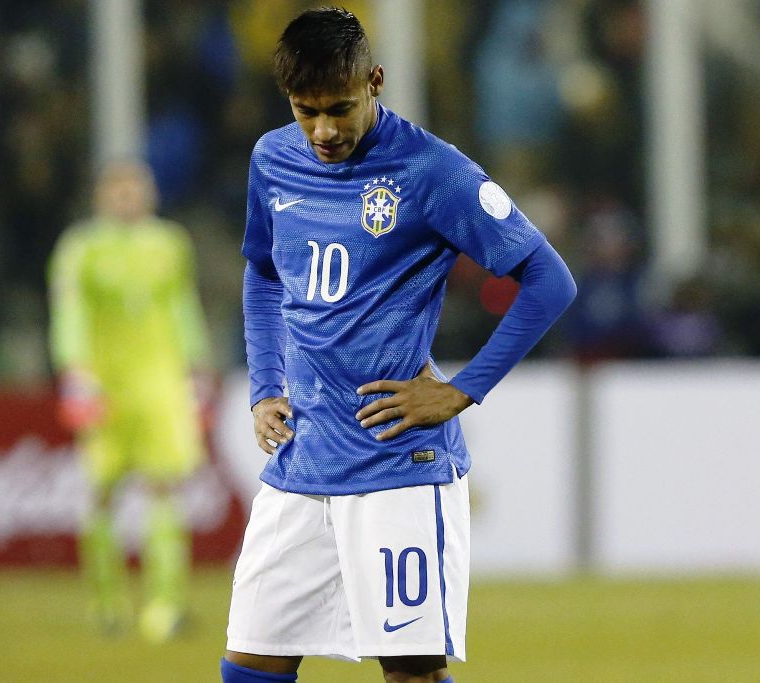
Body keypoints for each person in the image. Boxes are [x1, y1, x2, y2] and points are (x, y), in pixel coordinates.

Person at [222, 8, 576, 683]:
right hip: (304, 456)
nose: (323, 130)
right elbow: (263, 269)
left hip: (396, 463)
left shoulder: (432, 171)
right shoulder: (271, 159)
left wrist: (461, 389)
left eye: (340, 109)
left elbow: (549, 280)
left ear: (375, 81)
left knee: (411, 674)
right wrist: (266, 383)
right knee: (248, 668)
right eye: (306, 111)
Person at [48, 160, 210, 643]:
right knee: (103, 490)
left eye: (135, 190)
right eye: (118, 191)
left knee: (165, 487)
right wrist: (74, 371)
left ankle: (165, 605)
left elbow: (182, 306)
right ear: (101, 197)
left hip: (159, 384)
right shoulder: (81, 248)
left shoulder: (170, 244)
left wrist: (195, 366)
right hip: (105, 384)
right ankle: (107, 602)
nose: (128, 199)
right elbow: (68, 312)